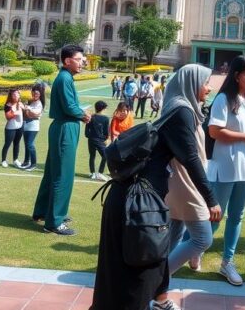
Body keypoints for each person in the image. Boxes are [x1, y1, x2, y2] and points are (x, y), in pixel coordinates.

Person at [91, 65, 222, 310]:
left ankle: (159, 299)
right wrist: (211, 198)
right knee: (143, 261)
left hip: (138, 193)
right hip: (142, 197)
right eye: (205, 82)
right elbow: (190, 159)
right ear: (191, 83)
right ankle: (155, 300)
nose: (208, 88)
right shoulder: (181, 111)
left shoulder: (176, 107)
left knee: (150, 254)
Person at [202, 55, 245, 286]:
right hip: (226, 167)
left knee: (237, 217)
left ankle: (227, 262)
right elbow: (214, 132)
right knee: (215, 216)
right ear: (236, 75)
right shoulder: (223, 99)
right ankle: (195, 247)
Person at [31, 45, 91, 236]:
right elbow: (69, 106)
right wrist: (84, 115)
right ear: (67, 61)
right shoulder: (65, 78)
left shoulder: (65, 78)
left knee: (52, 172)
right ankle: (54, 222)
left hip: (63, 127)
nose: (82, 62)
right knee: (63, 175)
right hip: (66, 127)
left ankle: (43, 211)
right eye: (79, 59)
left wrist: (79, 114)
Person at [20, 84, 45, 171]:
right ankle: (26, 161)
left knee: (30, 144)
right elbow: (27, 114)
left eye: (36, 94)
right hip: (26, 125)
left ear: (40, 95)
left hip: (33, 126)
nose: (34, 95)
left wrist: (28, 109)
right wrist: (28, 110)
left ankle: (33, 163)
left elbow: (35, 114)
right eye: (33, 93)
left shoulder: (39, 103)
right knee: (27, 144)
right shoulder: (30, 101)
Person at [86, 101, 111, 181]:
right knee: (105, 156)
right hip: (100, 141)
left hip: (91, 140)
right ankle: (99, 173)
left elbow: (87, 130)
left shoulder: (91, 117)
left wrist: (89, 136)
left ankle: (93, 173)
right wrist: (106, 139)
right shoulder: (106, 119)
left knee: (92, 156)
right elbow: (106, 131)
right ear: (103, 108)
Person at [1, 89, 24, 168]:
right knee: (7, 144)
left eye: (17, 94)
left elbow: (25, 114)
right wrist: (16, 112)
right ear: (11, 96)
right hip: (11, 128)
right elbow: (8, 117)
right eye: (14, 95)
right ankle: (3, 160)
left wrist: (25, 108)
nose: (16, 96)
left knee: (17, 143)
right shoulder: (8, 105)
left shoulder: (20, 103)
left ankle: (15, 160)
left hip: (20, 127)